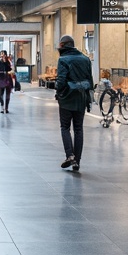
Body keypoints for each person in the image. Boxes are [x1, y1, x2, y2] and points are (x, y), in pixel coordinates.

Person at [53, 36, 93, 171]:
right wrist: (88, 99)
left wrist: (58, 91)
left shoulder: (63, 59)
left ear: (63, 46)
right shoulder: (85, 59)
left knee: (65, 127)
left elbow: (62, 80)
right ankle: (77, 161)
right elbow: (90, 80)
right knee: (78, 129)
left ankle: (69, 155)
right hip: (81, 97)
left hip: (66, 98)